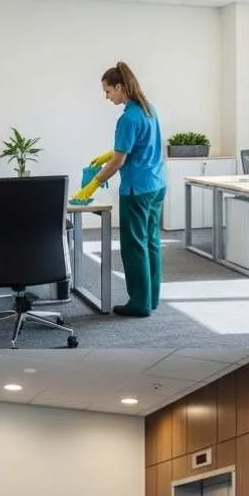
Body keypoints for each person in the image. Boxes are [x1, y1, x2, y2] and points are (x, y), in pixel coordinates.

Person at [72, 62, 166, 317]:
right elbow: (139, 144)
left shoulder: (127, 118)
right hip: (156, 184)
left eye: (108, 91)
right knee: (151, 242)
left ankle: (139, 304)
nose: (107, 97)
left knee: (134, 247)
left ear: (120, 87)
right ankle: (151, 298)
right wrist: (108, 154)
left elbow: (118, 162)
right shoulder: (148, 108)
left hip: (137, 190)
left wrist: (91, 185)